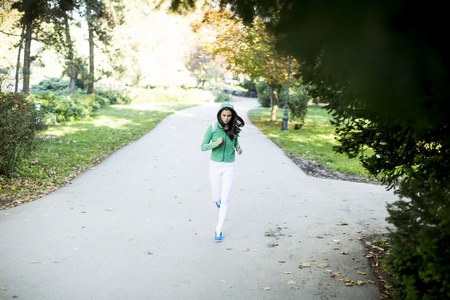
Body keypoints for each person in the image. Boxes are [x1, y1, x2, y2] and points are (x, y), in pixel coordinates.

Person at [201, 103, 245, 242]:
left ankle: (218, 229)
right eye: (224, 115)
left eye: (229, 116)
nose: (226, 118)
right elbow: (203, 146)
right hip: (215, 166)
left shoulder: (234, 128)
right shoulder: (213, 127)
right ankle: (218, 201)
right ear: (220, 114)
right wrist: (215, 144)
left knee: (225, 199)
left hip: (229, 166)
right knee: (216, 197)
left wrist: (238, 148)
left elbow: (235, 141)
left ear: (232, 116)